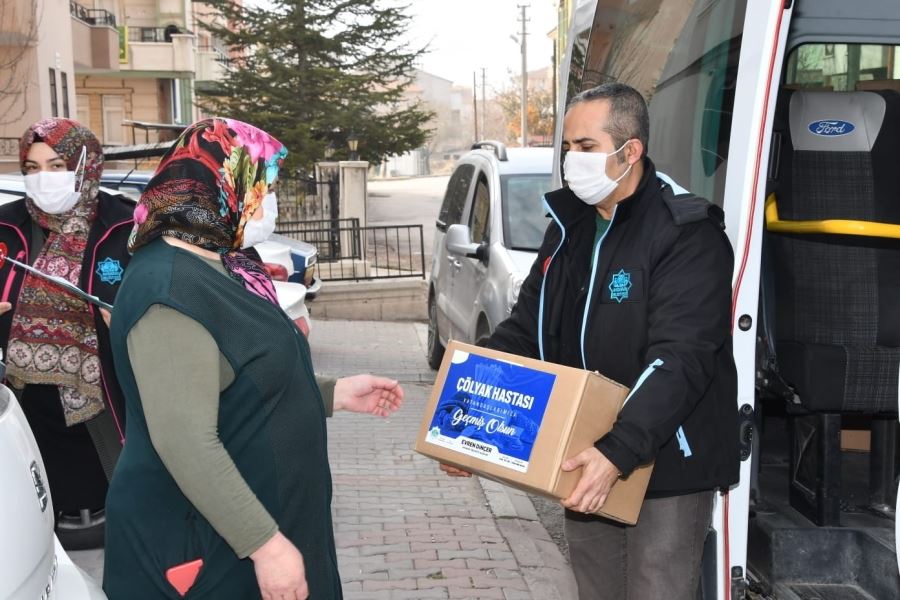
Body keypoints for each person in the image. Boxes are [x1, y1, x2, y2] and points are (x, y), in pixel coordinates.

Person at [441, 83, 740, 599]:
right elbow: (525, 330)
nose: (569, 160)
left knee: (657, 589)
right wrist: (464, 419)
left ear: (631, 152)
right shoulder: (569, 229)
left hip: (665, 460)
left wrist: (617, 450)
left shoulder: (686, 232)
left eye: (585, 148)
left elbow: (681, 358)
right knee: (597, 590)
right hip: (584, 453)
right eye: (566, 147)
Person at [103, 118, 403, 600]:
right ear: (220, 183)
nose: (270, 202)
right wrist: (265, 546)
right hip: (207, 547)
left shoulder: (224, 265)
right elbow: (187, 442)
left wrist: (332, 393)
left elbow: (240, 375)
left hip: (258, 527)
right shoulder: (168, 290)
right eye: (264, 186)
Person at [0, 118, 134, 537]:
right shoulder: (6, 226)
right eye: (32, 168)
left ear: (86, 164)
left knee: (112, 479)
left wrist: (130, 314)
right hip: (25, 392)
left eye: (57, 165)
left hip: (107, 388)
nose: (44, 179)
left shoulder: (126, 225)